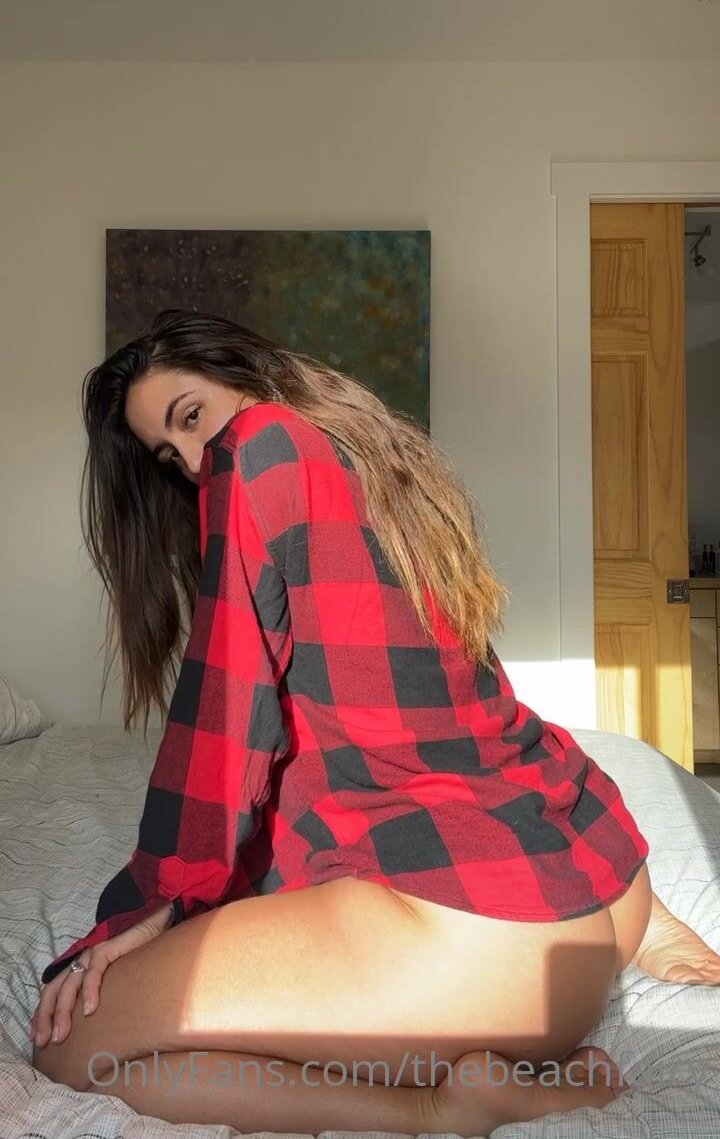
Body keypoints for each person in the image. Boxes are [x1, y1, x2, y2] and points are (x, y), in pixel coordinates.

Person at [31, 308, 720, 1134]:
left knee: (72, 1049)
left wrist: (152, 903)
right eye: (169, 455)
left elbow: (225, 721)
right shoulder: (380, 464)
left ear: (247, 379)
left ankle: (433, 1106)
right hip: (599, 884)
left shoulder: (260, 444)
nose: (193, 460)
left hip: (485, 951)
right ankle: (645, 933)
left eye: (191, 417)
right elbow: (470, 695)